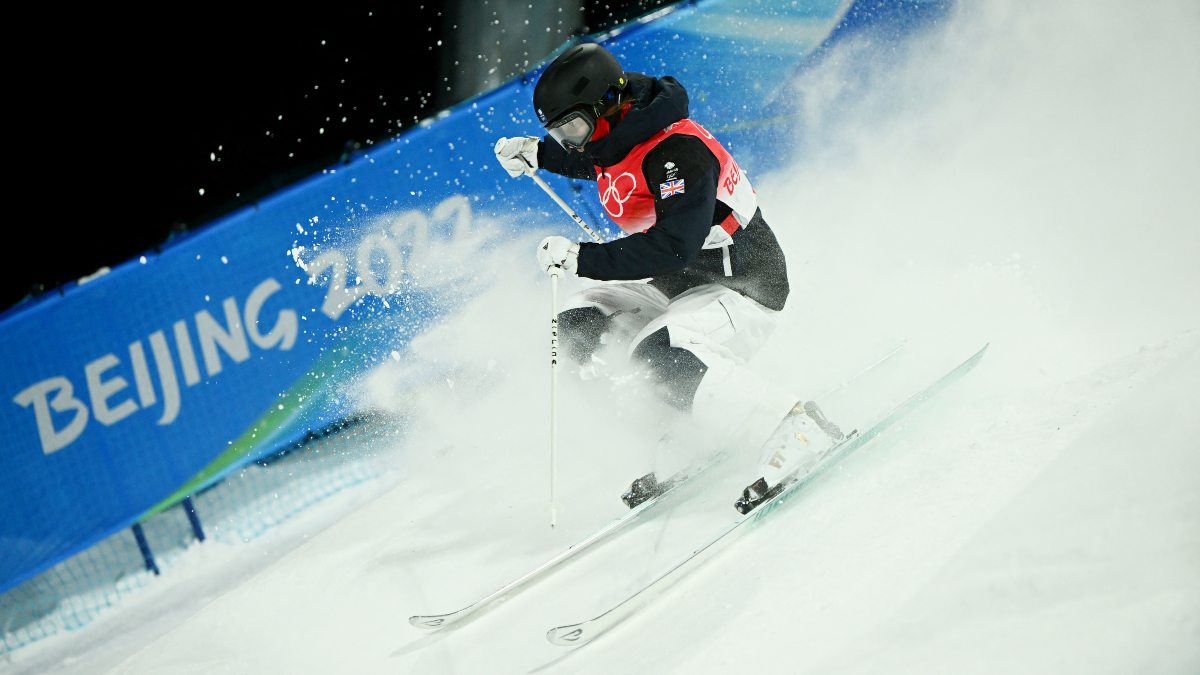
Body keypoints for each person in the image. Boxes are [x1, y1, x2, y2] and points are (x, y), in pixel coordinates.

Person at [493, 43, 843, 512]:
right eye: (559, 133)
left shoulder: (679, 151)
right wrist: (536, 153)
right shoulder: (612, 135)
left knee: (658, 354)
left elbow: (673, 247)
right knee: (573, 331)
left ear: (608, 106)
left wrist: (582, 258)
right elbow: (594, 158)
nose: (571, 142)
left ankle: (797, 428)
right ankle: (687, 432)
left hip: (740, 285)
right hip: (674, 282)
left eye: (573, 128)